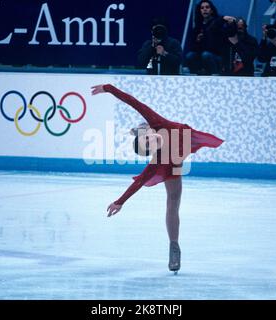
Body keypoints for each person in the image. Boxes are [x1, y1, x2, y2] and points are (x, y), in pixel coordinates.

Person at [91, 84, 224, 273]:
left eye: (147, 138)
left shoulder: (156, 123)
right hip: (173, 159)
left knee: (148, 124)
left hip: (184, 136)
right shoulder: (159, 160)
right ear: (151, 151)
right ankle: (174, 247)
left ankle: (138, 129)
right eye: (147, 144)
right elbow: (139, 181)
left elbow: (134, 103)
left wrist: (108, 88)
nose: (150, 140)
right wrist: (119, 202)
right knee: (173, 201)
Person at [185, 0, 226, 75]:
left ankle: (215, 74)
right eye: (202, 8)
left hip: (215, 56)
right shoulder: (198, 27)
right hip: (202, 54)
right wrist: (197, 41)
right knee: (189, 56)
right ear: (200, 11)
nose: (205, 9)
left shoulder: (217, 24)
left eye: (207, 7)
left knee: (206, 55)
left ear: (211, 10)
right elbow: (193, 48)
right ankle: (195, 74)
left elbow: (217, 46)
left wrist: (206, 38)